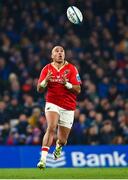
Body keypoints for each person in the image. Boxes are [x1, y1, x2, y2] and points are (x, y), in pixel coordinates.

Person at [37, 46, 81, 169]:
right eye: (57, 51)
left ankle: (58, 147)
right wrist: (45, 81)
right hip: (52, 103)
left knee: (62, 140)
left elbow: (78, 89)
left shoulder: (71, 68)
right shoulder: (47, 69)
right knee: (51, 127)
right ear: (52, 55)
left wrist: (66, 84)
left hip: (68, 106)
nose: (60, 53)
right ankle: (43, 159)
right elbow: (39, 89)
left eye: (62, 51)